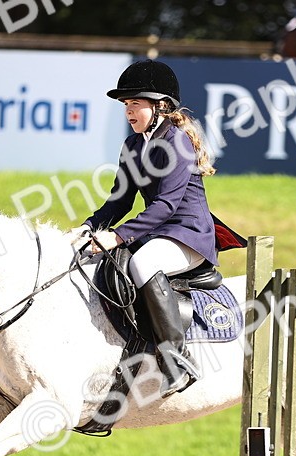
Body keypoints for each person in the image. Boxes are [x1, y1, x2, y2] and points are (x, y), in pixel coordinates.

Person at [68, 60, 222, 399]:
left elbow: (166, 206)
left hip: (188, 235)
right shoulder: (133, 146)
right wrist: (87, 228)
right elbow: (119, 202)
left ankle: (177, 363)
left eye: (135, 103)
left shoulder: (178, 142)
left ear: (160, 106)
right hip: (159, 232)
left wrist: (119, 235)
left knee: (142, 263)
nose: (128, 111)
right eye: (126, 105)